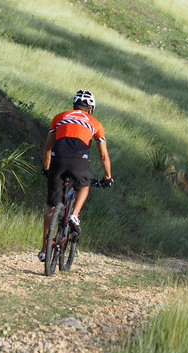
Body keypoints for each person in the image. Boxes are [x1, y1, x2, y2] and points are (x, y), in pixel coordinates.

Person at [39, 90, 113, 262]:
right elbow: (103, 156)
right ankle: (75, 214)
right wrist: (107, 178)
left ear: (74, 105)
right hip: (79, 162)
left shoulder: (59, 117)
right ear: (91, 109)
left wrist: (46, 168)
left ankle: (44, 250)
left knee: (51, 208)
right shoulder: (96, 123)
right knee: (83, 187)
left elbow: (48, 147)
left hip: (57, 161)